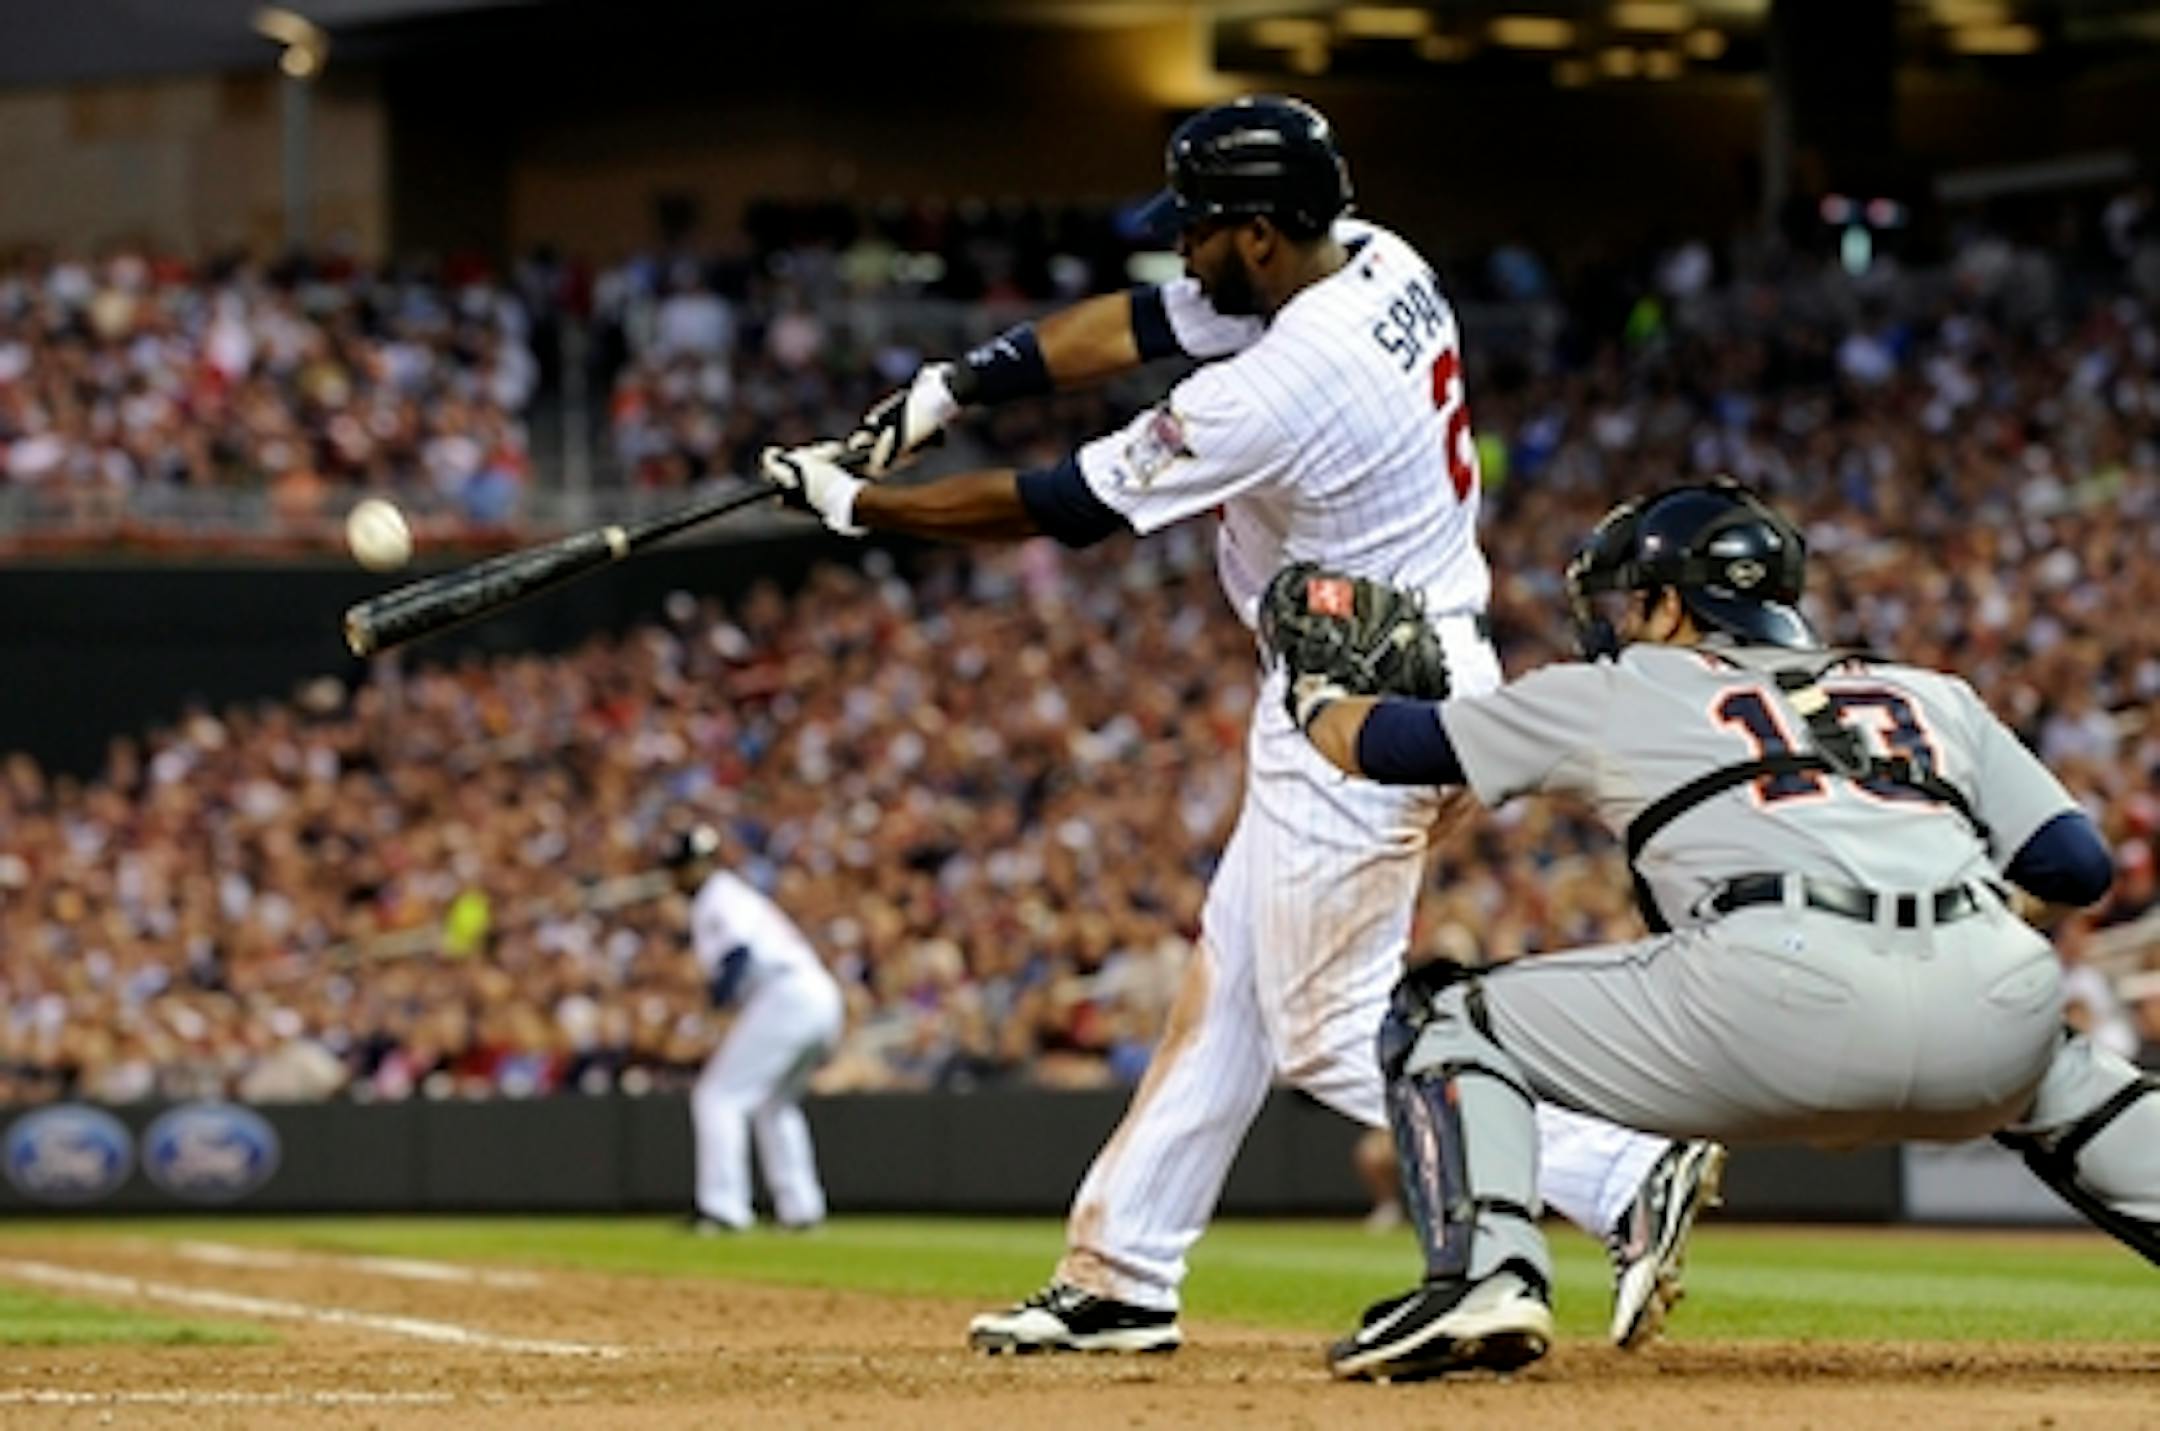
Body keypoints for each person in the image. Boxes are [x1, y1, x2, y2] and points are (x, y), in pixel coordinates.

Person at [762, 94, 1722, 1353]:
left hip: (1361, 693)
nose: (1186, 247)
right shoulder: (1377, 257)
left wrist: (858, 509)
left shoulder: (1276, 387)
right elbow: (1145, 322)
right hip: (1411, 656)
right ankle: (1122, 1275)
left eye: (1205, 226)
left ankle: (1611, 1171)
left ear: (1263, 235)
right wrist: (950, 386)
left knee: (1330, 1034)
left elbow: (1063, 503)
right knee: (1227, 996)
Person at [1276, 480, 2156, 1381]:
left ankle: (1487, 1274)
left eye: (1634, 601)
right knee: (2065, 1076)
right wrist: (1946, 945)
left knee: (1442, 1012)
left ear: (1670, 602)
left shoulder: (1619, 688)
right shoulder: (1928, 691)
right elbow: (2076, 868)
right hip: (1986, 996)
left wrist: (1309, 689)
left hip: (1769, 993)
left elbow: (1382, 745)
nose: (1623, 621)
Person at [669, 825, 846, 1233]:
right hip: (816, 994)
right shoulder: (735, 894)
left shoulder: (716, 897)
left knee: (718, 1096)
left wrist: (711, 1015)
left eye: (685, 866)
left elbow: (736, 956)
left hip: (787, 995)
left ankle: (723, 1208)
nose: (680, 875)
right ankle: (801, 1208)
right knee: (776, 1102)